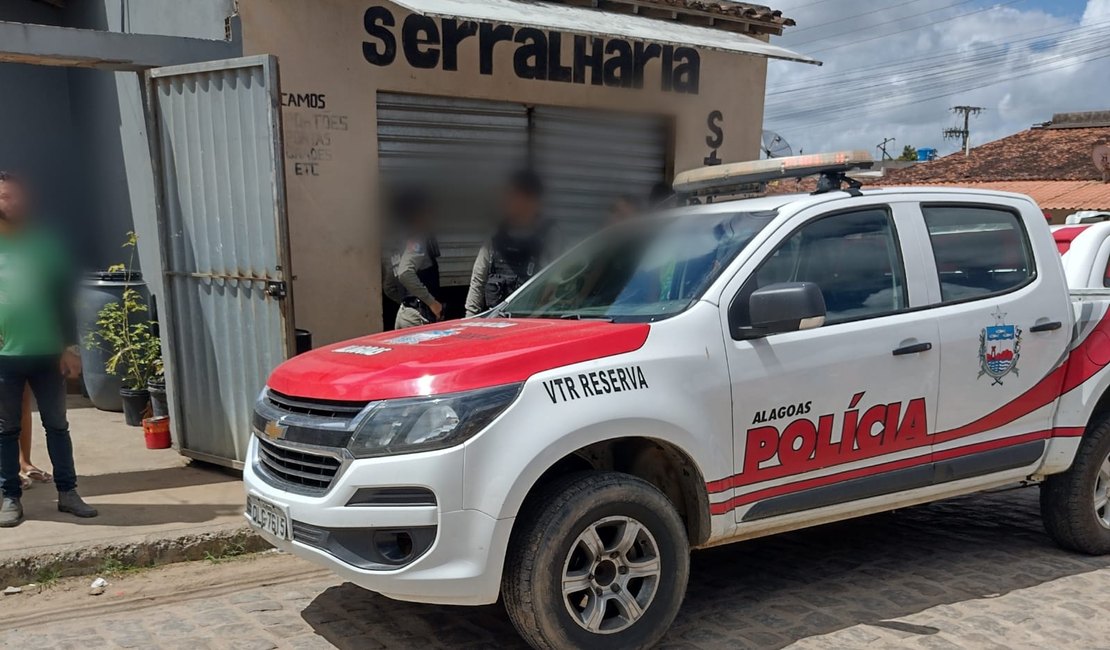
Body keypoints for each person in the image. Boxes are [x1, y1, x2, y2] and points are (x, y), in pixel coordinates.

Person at [0, 171, 96, 527]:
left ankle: (68, 493)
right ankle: (11, 497)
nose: (15, 203)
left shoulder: (44, 243)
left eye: (18, 196)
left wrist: (69, 346)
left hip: (46, 352)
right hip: (5, 358)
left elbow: (61, 299)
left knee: (57, 425)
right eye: (6, 197)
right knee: (6, 430)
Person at [466, 170, 559, 317]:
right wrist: (470, 317)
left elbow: (554, 282)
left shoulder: (547, 236)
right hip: (497, 319)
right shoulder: (496, 233)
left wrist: (536, 319)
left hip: (529, 322)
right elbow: (479, 277)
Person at [389, 190, 443, 329]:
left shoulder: (401, 239)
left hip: (404, 314)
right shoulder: (418, 239)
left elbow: (389, 286)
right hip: (418, 317)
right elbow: (405, 273)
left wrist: (408, 304)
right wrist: (431, 302)